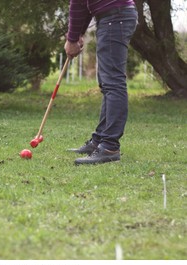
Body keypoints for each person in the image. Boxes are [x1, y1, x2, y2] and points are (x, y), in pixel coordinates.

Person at [65, 0, 138, 165]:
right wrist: (77, 35)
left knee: (113, 83)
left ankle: (109, 147)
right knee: (107, 84)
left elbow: (77, 3)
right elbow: (84, 4)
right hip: (114, 15)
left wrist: (71, 39)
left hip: (115, 16)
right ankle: (99, 141)